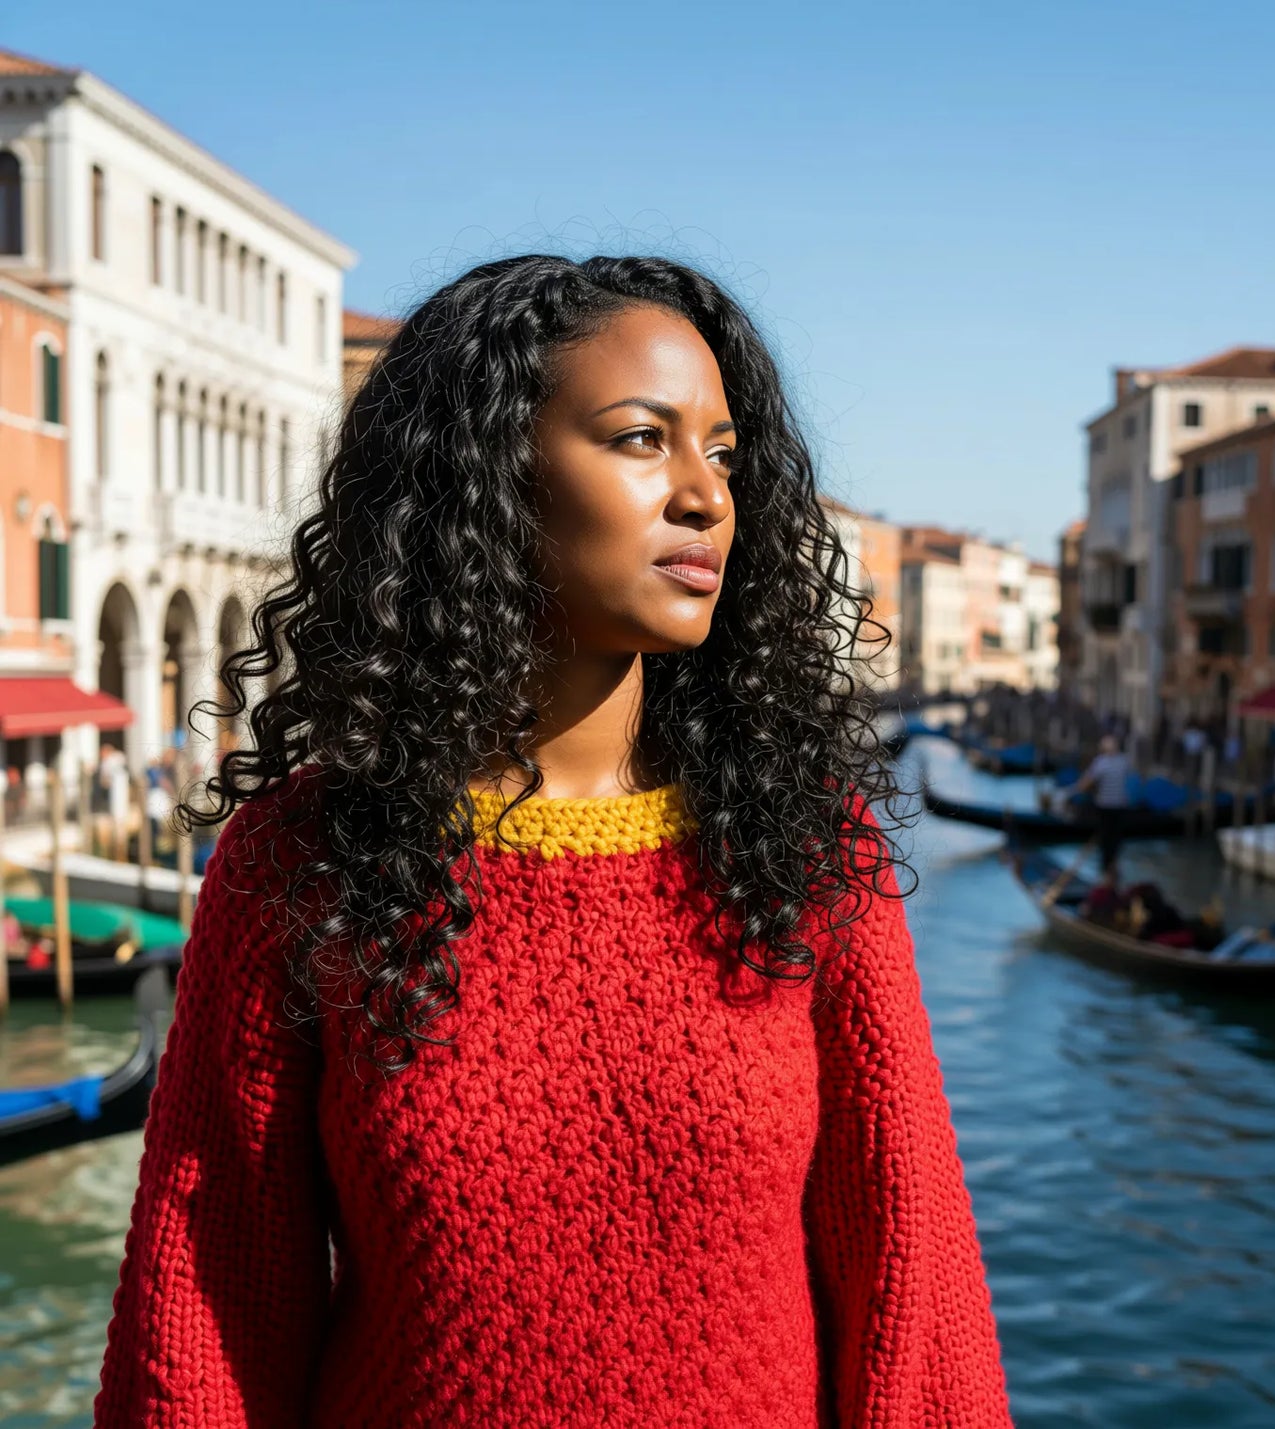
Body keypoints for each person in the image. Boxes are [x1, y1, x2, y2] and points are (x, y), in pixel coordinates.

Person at [93, 256, 1013, 1428]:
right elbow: (208, 1311)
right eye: (641, 439)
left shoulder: (801, 846)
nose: (705, 495)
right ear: (485, 477)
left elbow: (913, 1281)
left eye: (722, 453)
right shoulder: (310, 857)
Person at [1073, 731, 1132, 874]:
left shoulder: (1101, 762)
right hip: (1120, 807)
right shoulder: (1124, 761)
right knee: (1115, 842)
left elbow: (1086, 784)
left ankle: (1106, 872)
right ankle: (1113, 869)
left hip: (1105, 806)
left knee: (1106, 842)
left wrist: (1076, 789)